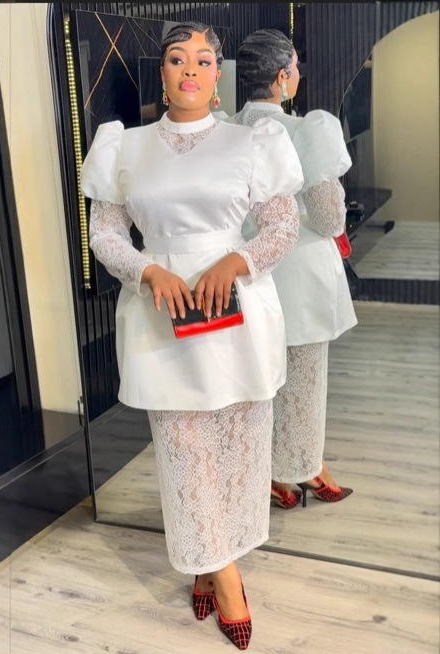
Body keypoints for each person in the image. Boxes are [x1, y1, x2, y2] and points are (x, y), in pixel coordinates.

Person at [80, 22, 303, 650]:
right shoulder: (125, 146)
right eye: (177, 59)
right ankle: (227, 579)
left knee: (235, 451)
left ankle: (209, 562)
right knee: (184, 453)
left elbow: (282, 228)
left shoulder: (251, 141)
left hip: (239, 315)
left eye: (204, 61)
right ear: (162, 73)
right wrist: (147, 270)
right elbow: (105, 234)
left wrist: (239, 260)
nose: (190, 70)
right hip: (161, 318)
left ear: (217, 74)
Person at [232, 29, 357, 510]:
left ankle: (267, 475)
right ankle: (304, 469)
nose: (299, 73)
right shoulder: (305, 131)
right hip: (300, 274)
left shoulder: (225, 130)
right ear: (282, 77)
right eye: (296, 66)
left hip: (247, 272)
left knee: (258, 383)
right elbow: (327, 217)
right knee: (303, 380)